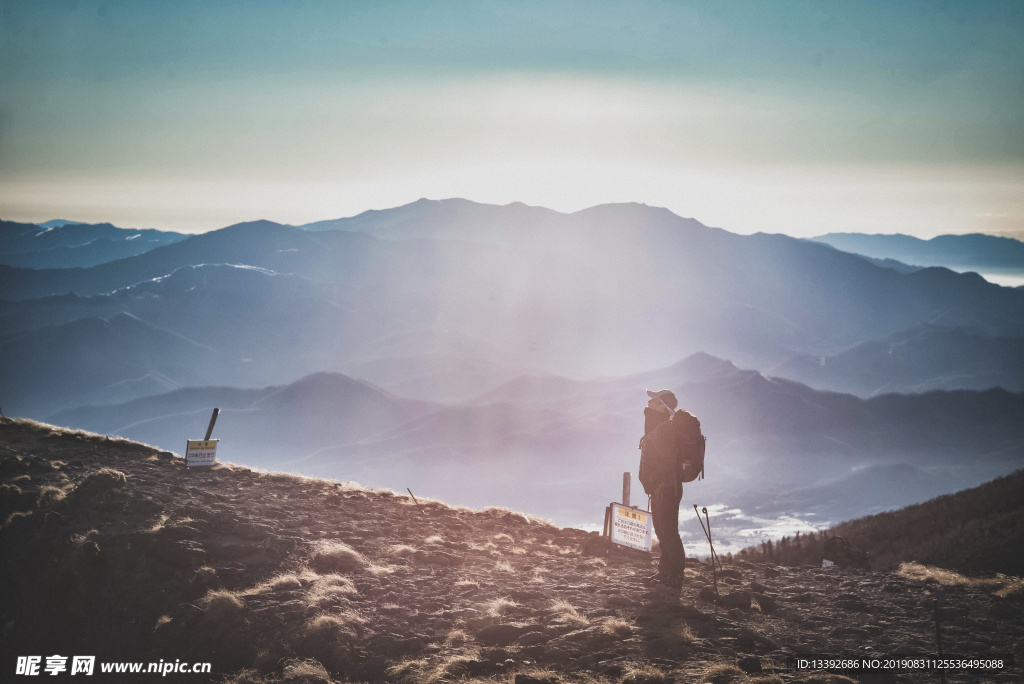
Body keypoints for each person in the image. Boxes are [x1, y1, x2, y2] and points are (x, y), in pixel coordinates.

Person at [638, 388, 686, 589]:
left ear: (662, 406)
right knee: (662, 530)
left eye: (653, 400)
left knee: (668, 531)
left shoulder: (665, 428)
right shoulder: (659, 425)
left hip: (666, 488)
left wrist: (652, 481)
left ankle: (674, 577)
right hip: (661, 488)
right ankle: (665, 573)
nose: (648, 403)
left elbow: (667, 462)